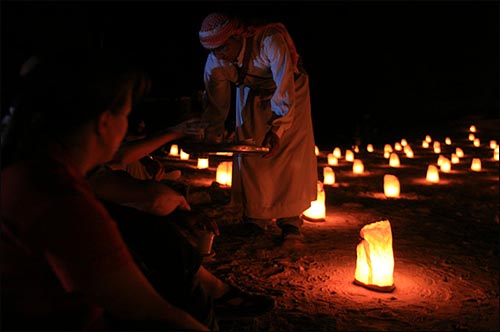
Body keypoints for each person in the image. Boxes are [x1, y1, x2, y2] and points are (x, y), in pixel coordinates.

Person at [0, 49, 210, 331]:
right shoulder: (60, 199)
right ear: (104, 122)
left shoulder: (37, 164)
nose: (127, 127)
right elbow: (146, 309)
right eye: (125, 114)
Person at [198, 12, 318, 246]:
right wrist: (211, 135)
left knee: (288, 154)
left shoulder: (269, 41)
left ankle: (290, 222)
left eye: (222, 48)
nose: (218, 54)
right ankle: (255, 218)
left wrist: (278, 130)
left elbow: (284, 82)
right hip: (252, 90)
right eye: (213, 51)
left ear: (236, 37)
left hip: (289, 90)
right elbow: (216, 104)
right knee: (251, 149)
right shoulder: (216, 62)